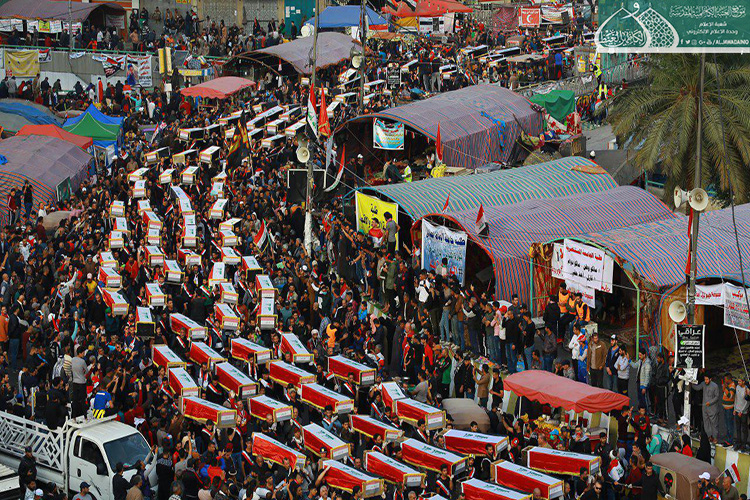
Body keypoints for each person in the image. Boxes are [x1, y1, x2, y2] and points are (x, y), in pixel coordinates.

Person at [693, 374, 721, 442]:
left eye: (707, 379)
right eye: (705, 379)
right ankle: (709, 436)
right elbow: (697, 388)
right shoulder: (703, 384)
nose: (706, 381)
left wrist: (710, 402)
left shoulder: (715, 386)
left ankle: (715, 437)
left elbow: (717, 397)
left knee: (714, 424)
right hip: (705, 408)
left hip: (712, 408)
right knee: (706, 423)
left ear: (710, 379)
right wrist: (691, 383)